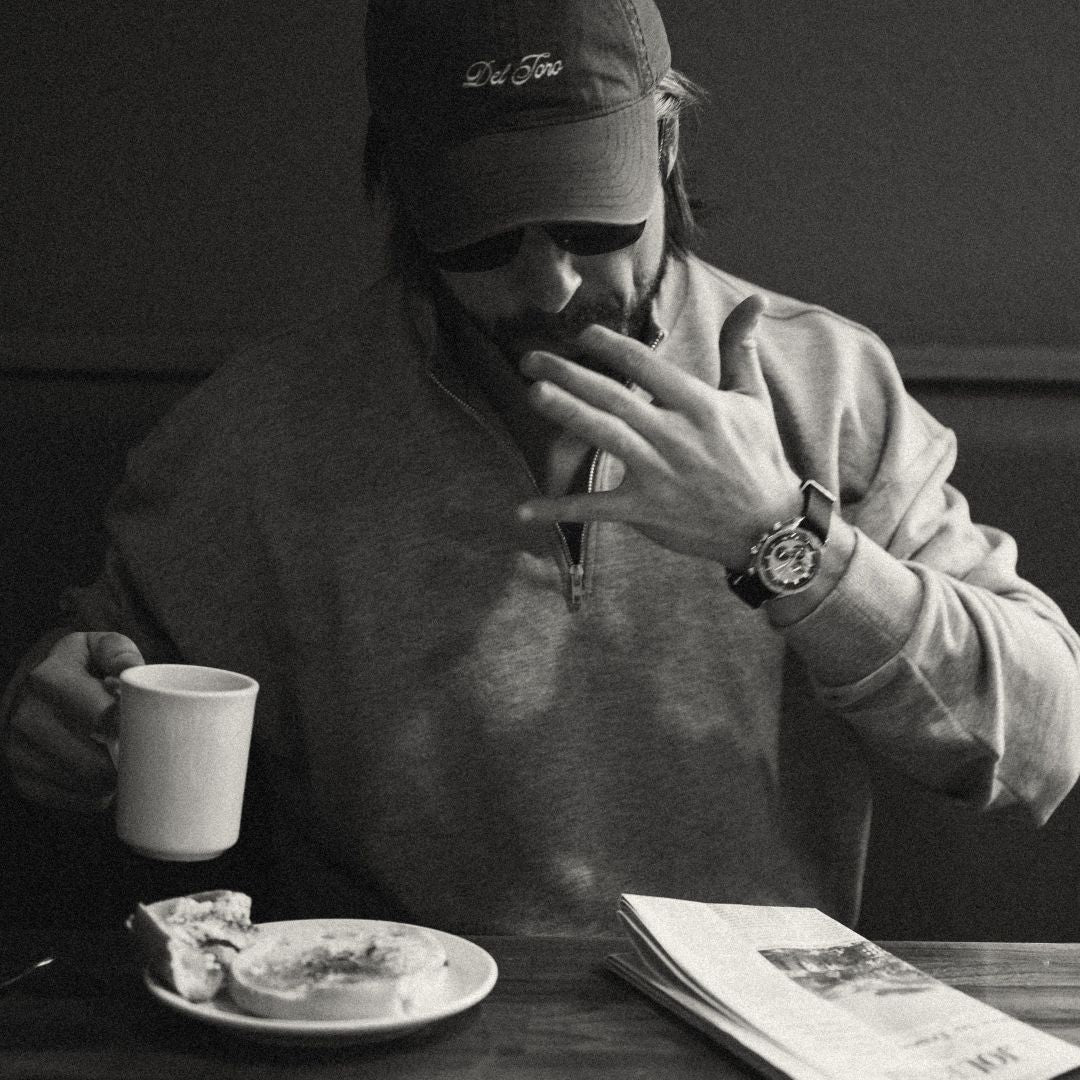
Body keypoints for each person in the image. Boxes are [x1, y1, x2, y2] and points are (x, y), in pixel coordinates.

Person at [4, 0, 1080, 936]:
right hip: (387, 1021)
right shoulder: (264, 430)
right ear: (401, 188)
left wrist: (784, 544)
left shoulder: (823, 384)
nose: (551, 283)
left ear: (665, 141)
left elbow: (1043, 743)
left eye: (586, 218)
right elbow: (100, 679)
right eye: (484, 236)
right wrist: (59, 714)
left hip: (755, 1031)